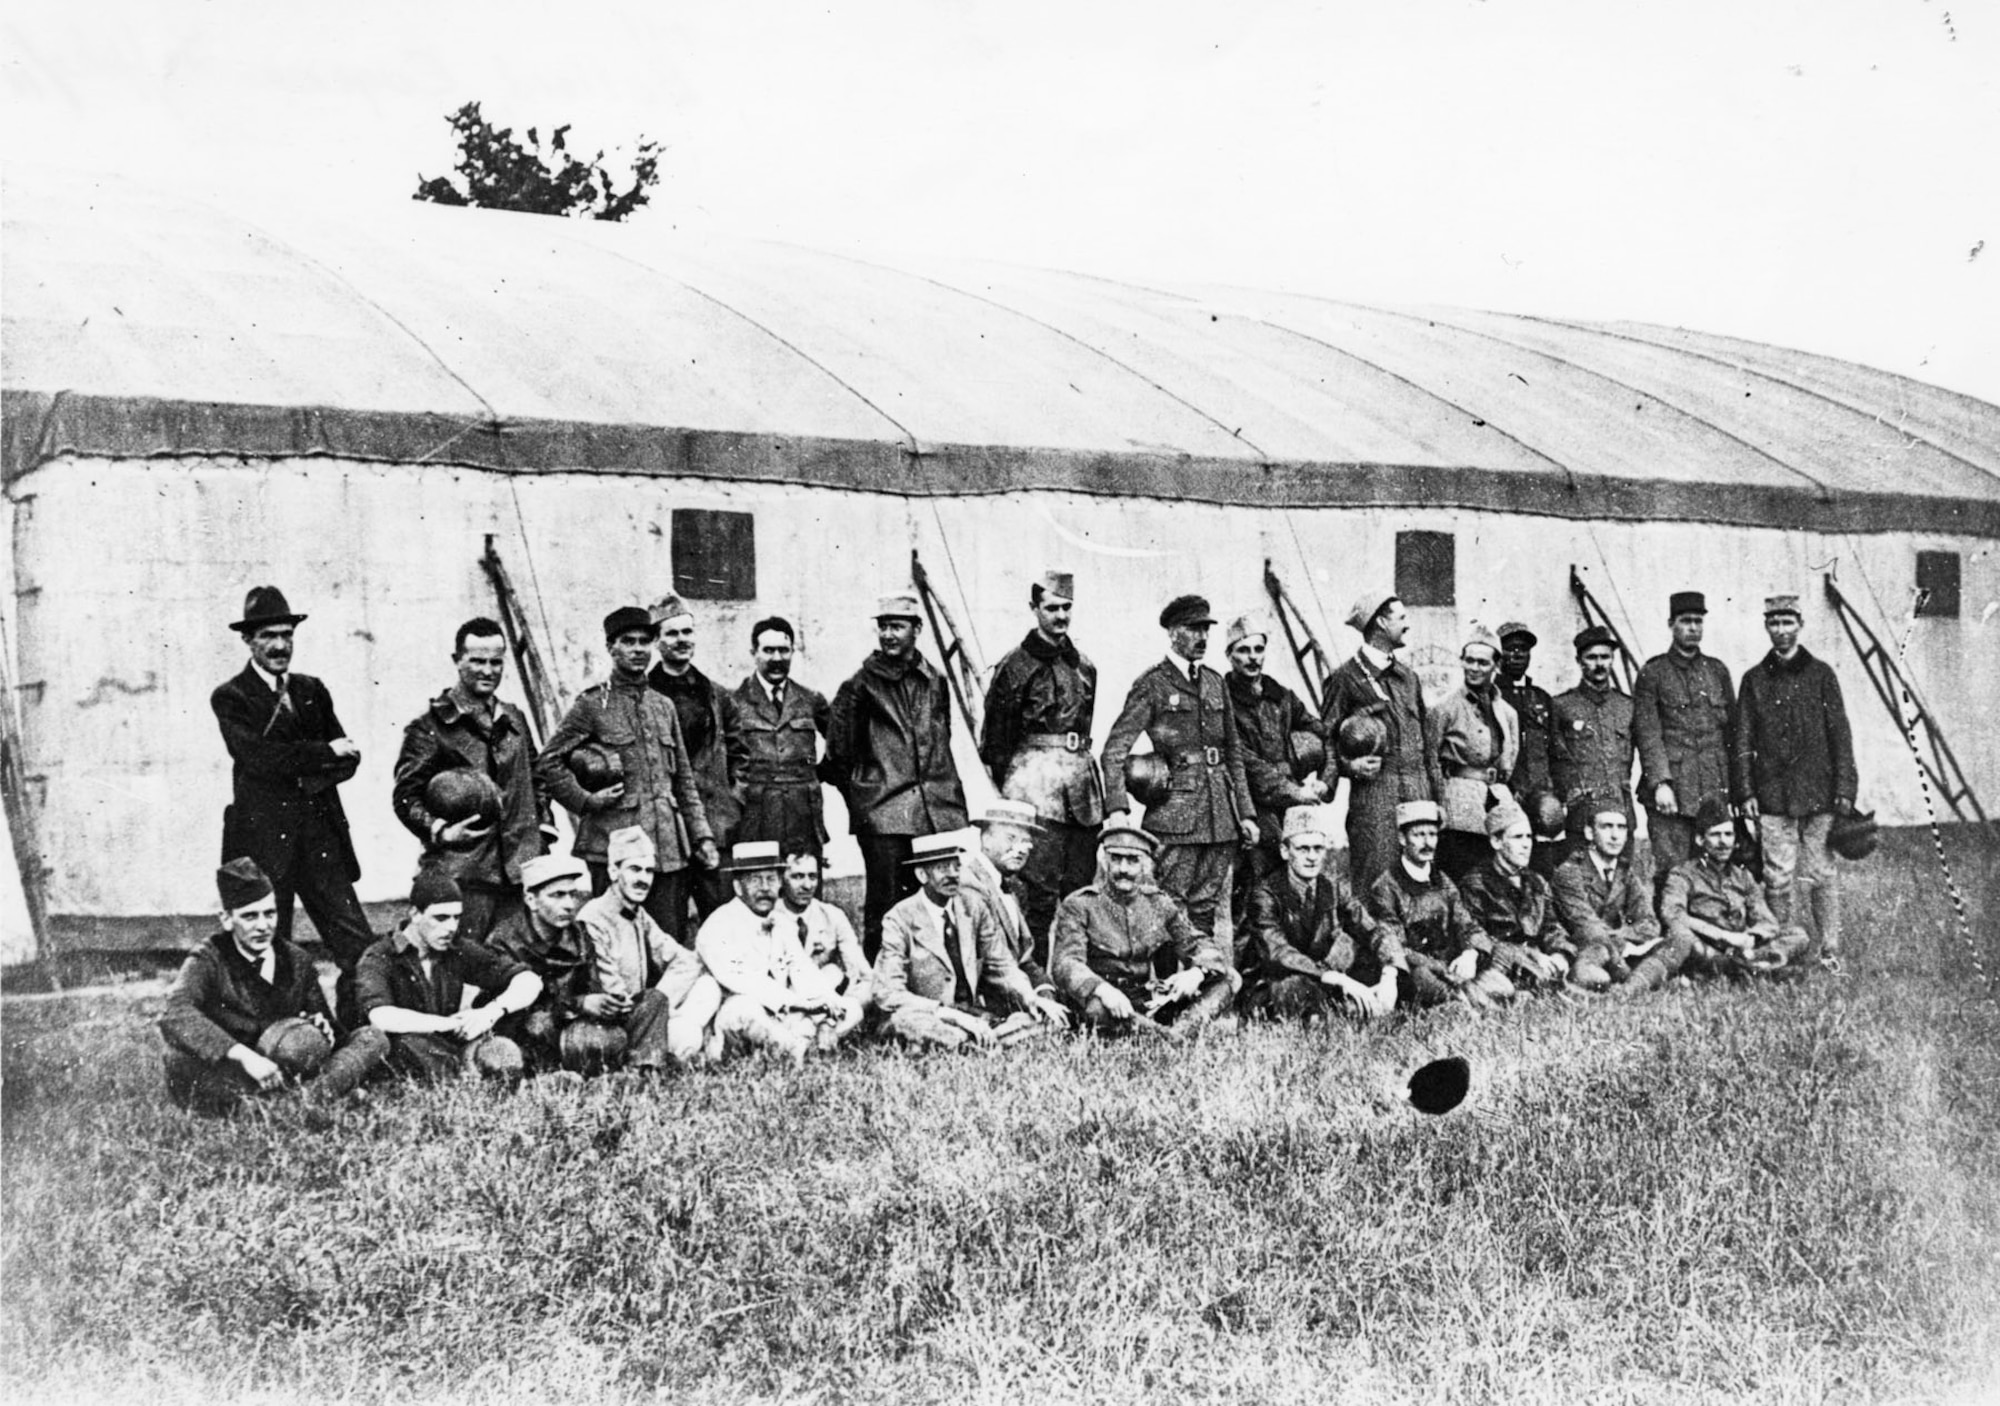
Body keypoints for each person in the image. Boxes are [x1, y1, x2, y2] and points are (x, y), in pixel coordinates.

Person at [210, 585, 371, 1024]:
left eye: (287, 635)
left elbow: (349, 758)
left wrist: (305, 764)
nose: (280, 645)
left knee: (360, 948)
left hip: (321, 842)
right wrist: (320, 756)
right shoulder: (232, 696)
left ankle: (359, 1035)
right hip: (265, 849)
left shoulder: (312, 690)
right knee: (267, 949)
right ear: (248, 640)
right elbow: (258, 759)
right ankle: (275, 1040)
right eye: (268, 636)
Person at [535, 605, 719, 938]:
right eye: (628, 641)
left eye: (644, 642)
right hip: (614, 847)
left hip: (667, 850)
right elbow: (548, 762)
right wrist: (587, 801)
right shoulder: (592, 705)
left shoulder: (663, 706)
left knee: (668, 939)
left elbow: (684, 781)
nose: (637, 649)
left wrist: (702, 835)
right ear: (611, 647)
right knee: (617, 942)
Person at [158, 858, 388, 1111]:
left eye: (269, 914)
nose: (263, 926)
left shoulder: (297, 959)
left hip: (291, 1067)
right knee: (178, 1059)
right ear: (226, 919)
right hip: (240, 1070)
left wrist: (325, 1030)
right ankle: (317, 1098)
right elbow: (175, 1012)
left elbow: (332, 1032)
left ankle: (288, 1105)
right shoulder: (209, 957)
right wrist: (245, 1057)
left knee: (372, 1038)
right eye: (249, 916)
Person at [1099, 594, 1258, 959]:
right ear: (1172, 634)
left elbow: (1233, 752)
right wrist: (1118, 808)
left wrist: (1246, 813)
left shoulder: (1216, 683)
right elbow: (1114, 750)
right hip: (1175, 815)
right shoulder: (1153, 684)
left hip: (1221, 816)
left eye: (1205, 629)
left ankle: (1198, 984)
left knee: (1204, 907)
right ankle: (1170, 992)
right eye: (1192, 629)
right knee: (1170, 906)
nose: (1202, 637)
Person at [825, 591, 969, 960]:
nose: (888, 635)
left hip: (933, 813)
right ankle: (881, 991)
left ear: (916, 629)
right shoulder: (859, 685)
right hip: (885, 817)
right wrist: (868, 798)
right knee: (886, 908)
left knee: (932, 904)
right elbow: (838, 756)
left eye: (897, 626)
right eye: (883, 627)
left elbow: (942, 738)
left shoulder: (934, 680)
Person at [391, 616, 544, 944]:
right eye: (477, 661)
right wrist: (442, 831)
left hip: (519, 875)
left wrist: (541, 829)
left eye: (496, 662)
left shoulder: (514, 718)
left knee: (515, 970)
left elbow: (536, 774)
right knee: (462, 969)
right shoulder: (429, 727)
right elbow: (405, 797)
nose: (488, 671)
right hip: (464, 878)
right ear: (456, 661)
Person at [1733, 593, 1859, 972]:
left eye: (1788, 622)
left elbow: (1841, 734)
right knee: (1777, 874)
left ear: (1800, 625)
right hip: (1773, 796)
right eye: (1774, 623)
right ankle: (1781, 944)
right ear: (1765, 626)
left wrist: (1845, 789)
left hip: (1820, 794)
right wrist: (1746, 791)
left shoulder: (1822, 675)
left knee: (1821, 871)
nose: (1781, 631)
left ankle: (1830, 947)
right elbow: (1742, 740)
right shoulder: (1754, 679)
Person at [978, 570, 1104, 946]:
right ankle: (1036, 980)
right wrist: (1019, 789)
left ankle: (1075, 976)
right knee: (1038, 894)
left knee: (1080, 890)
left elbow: (1083, 727)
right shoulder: (1015, 667)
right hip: (1036, 790)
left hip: (1081, 792)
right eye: (1051, 608)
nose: (1060, 616)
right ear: (1034, 609)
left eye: (1066, 608)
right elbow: (996, 743)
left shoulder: (1084, 665)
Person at [874, 833, 1068, 1049]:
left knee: (1043, 1018)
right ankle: (986, 1042)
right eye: (942, 868)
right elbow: (888, 992)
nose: (953, 875)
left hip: (972, 1013)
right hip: (929, 1015)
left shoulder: (973, 907)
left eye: (956, 867)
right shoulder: (899, 918)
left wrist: (1031, 997)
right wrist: (948, 1014)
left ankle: (971, 1043)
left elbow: (1001, 965)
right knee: (907, 1023)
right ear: (921, 874)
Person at [1050, 823, 1235, 1037]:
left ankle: (1177, 1032)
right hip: (1103, 1000)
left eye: (1133, 861)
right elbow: (1066, 964)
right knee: (1097, 1009)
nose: (1124, 869)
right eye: (1116, 859)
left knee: (1228, 978)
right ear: (1103, 861)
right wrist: (1102, 989)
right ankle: (1171, 1038)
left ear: (1146, 866)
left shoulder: (1158, 903)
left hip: (1145, 999)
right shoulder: (1080, 905)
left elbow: (1198, 944)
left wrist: (1197, 972)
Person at [356, 872, 544, 1083]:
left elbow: (530, 980)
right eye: (441, 918)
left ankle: (482, 1075)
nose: (451, 928)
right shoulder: (380, 956)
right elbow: (381, 1016)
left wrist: (490, 1013)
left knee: (502, 1048)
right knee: (410, 1045)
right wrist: (448, 1024)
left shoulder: (456, 948)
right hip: (405, 1048)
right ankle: (469, 1078)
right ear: (415, 914)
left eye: (456, 917)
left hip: (449, 1045)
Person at [1318, 592, 1442, 891]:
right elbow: (1326, 738)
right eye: (1401, 618)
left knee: (1418, 878)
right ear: (1381, 623)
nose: (1407, 625)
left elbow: (1428, 745)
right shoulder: (1345, 678)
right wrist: (1349, 766)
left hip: (1417, 791)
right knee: (1375, 878)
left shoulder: (1409, 678)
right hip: (1375, 798)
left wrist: (1437, 798)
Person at [577, 828, 726, 1069]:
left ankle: (686, 1038)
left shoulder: (639, 914)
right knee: (685, 1034)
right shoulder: (593, 917)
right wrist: (656, 1007)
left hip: (645, 1012)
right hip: (612, 1025)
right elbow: (615, 998)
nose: (644, 879)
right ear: (613, 871)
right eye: (635, 869)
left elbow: (686, 960)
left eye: (649, 871)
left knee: (707, 985)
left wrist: (663, 1003)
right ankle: (686, 1046)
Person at [697, 841, 850, 1063]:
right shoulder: (718, 925)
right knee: (743, 1010)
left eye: (771, 879)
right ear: (738, 887)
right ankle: (797, 1050)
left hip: (780, 1014)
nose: (765, 888)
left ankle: (797, 1044)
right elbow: (743, 980)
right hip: (733, 1016)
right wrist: (801, 1004)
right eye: (756, 880)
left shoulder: (780, 923)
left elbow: (802, 969)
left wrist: (827, 1005)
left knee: (847, 1008)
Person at [1237, 807, 1394, 1022]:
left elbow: (1373, 930)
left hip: (1321, 979)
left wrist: (1389, 975)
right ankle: (1339, 1011)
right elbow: (1278, 954)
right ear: (1285, 851)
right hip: (1271, 984)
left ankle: (1346, 1009)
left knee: (1377, 970)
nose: (1312, 857)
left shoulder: (1333, 888)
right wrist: (1336, 978)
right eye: (1303, 849)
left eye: (1318, 848)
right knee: (1296, 988)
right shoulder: (1265, 894)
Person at [648, 594, 748, 923]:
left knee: (722, 922)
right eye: (672, 633)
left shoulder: (718, 696)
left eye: (687, 632)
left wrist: (734, 797)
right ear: (656, 640)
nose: (682, 641)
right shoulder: (645, 694)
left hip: (716, 826)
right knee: (668, 925)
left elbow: (740, 754)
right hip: (667, 831)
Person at [1221, 614, 1328, 922]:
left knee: (1291, 886)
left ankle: (1284, 962)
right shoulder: (1224, 701)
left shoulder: (1280, 695)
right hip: (1251, 807)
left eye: (1258, 649)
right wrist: (1295, 792)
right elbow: (1244, 762)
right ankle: (1250, 967)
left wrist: (1324, 781)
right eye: (1243, 651)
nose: (1252, 658)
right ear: (1229, 655)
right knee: (1254, 887)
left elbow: (1320, 731)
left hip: (1290, 810)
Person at [1633, 591, 1741, 885]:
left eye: (1698, 621)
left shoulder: (1717, 671)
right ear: (1671, 624)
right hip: (1672, 793)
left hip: (1713, 789)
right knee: (1672, 872)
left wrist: (1736, 790)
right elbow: (1648, 733)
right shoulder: (1653, 674)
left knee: (1713, 872)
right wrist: (1660, 783)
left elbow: (1732, 735)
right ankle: (1671, 930)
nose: (1693, 628)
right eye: (1686, 621)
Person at [1366, 800, 1511, 1009]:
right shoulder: (1385, 887)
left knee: (1501, 976)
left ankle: (1467, 998)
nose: (1428, 843)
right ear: (1402, 838)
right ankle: (1460, 1001)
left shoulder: (1442, 881)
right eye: (1419, 835)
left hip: (1451, 968)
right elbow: (1397, 947)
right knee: (1422, 979)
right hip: (1416, 970)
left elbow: (1468, 925)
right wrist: (1443, 969)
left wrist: (1470, 955)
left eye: (1432, 835)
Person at [483, 853, 609, 1074]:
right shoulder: (503, 941)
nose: (570, 905)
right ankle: (547, 1076)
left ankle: (642, 1068)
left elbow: (592, 985)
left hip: (571, 1026)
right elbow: (517, 1011)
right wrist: (578, 1004)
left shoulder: (579, 934)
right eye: (558, 895)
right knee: (539, 1024)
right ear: (531, 900)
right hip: (524, 1033)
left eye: (574, 895)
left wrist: (607, 1003)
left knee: (652, 1001)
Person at [1551, 797, 1685, 996]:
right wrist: (1625, 943)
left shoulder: (1625, 872)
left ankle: (1627, 987)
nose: (1615, 836)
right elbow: (1587, 927)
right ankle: (1642, 980)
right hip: (1587, 950)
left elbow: (1649, 924)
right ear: (1589, 832)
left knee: (1681, 940)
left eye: (1621, 828)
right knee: (1598, 955)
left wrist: (1624, 941)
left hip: (1620, 950)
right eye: (1606, 827)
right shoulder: (1570, 871)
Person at [1662, 797, 1809, 978]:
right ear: (1700, 840)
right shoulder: (1683, 874)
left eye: (1728, 835)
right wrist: (1722, 936)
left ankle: (1750, 962)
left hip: (1741, 944)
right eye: (1715, 835)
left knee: (1798, 935)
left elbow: (1767, 921)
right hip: (1707, 942)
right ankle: (1761, 968)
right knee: (1682, 938)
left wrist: (1752, 937)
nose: (1723, 842)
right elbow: (1673, 913)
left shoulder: (1743, 876)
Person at [731, 616, 832, 860]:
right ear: (753, 653)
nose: (776, 659)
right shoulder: (735, 702)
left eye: (783, 650)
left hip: (804, 816)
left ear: (792, 652)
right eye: (768, 650)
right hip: (756, 817)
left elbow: (842, 744)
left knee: (805, 887)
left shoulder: (811, 699)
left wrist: (819, 774)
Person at [1426, 627, 1519, 882]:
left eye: (1482, 662)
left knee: (1495, 879)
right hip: (1459, 806)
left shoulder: (1508, 712)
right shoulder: (1444, 708)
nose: (1474, 668)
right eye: (1469, 660)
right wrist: (1439, 804)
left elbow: (1510, 759)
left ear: (1496, 666)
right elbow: (1430, 761)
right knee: (1462, 876)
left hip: (1496, 801)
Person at [957, 799, 1065, 1013]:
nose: (1021, 849)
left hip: (1012, 989)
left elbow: (1024, 958)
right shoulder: (969, 883)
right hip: (981, 1000)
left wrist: (1045, 991)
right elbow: (991, 961)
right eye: (1010, 838)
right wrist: (1032, 999)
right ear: (985, 839)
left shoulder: (1009, 886)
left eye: (1026, 841)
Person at [1455, 803, 1573, 991]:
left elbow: (1552, 926)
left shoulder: (1536, 882)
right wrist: (1532, 955)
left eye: (1529, 837)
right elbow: (1479, 936)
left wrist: (1560, 954)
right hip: (1500, 963)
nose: (1526, 845)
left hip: (1537, 961)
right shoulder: (1476, 884)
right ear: (1496, 842)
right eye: (1517, 837)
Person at [1550, 625, 1638, 855]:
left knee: (1623, 879)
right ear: (1579, 661)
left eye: (1605, 657)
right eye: (1591, 658)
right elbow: (1556, 760)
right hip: (1582, 815)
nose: (1599, 664)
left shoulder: (1627, 706)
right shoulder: (1562, 706)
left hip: (1621, 809)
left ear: (1612, 660)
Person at [775, 847, 870, 1046]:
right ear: (781, 878)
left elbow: (859, 968)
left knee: (858, 984)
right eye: (797, 877)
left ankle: (827, 1027)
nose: (807, 885)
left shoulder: (831, 915)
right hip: (789, 1001)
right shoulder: (771, 917)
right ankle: (815, 1034)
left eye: (813, 876)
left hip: (828, 996)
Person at [1495, 621, 1557, 815]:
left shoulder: (1541, 698)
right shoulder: (1492, 695)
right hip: (1504, 791)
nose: (1517, 655)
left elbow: (1555, 748)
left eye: (1523, 649)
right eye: (1510, 649)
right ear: (1499, 655)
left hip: (1539, 791)